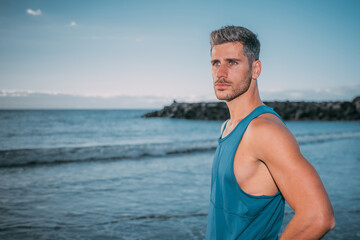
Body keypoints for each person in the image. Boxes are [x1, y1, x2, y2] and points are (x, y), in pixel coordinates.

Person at [206, 26, 335, 240]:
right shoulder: (227, 126)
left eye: (233, 62)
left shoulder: (264, 131)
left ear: (255, 69)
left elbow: (318, 216)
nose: (221, 73)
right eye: (216, 63)